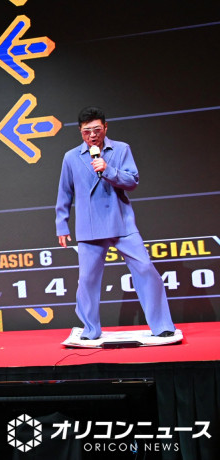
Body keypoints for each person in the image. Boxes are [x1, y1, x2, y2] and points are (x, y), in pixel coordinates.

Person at [55, 107, 175, 340]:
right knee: (87, 280)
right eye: (87, 131)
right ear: (80, 131)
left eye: (97, 130)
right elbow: (64, 193)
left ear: (105, 127)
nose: (92, 135)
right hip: (90, 227)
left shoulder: (121, 149)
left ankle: (162, 325)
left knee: (145, 269)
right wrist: (62, 224)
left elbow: (132, 181)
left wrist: (108, 169)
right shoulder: (71, 157)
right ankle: (90, 329)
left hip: (121, 222)